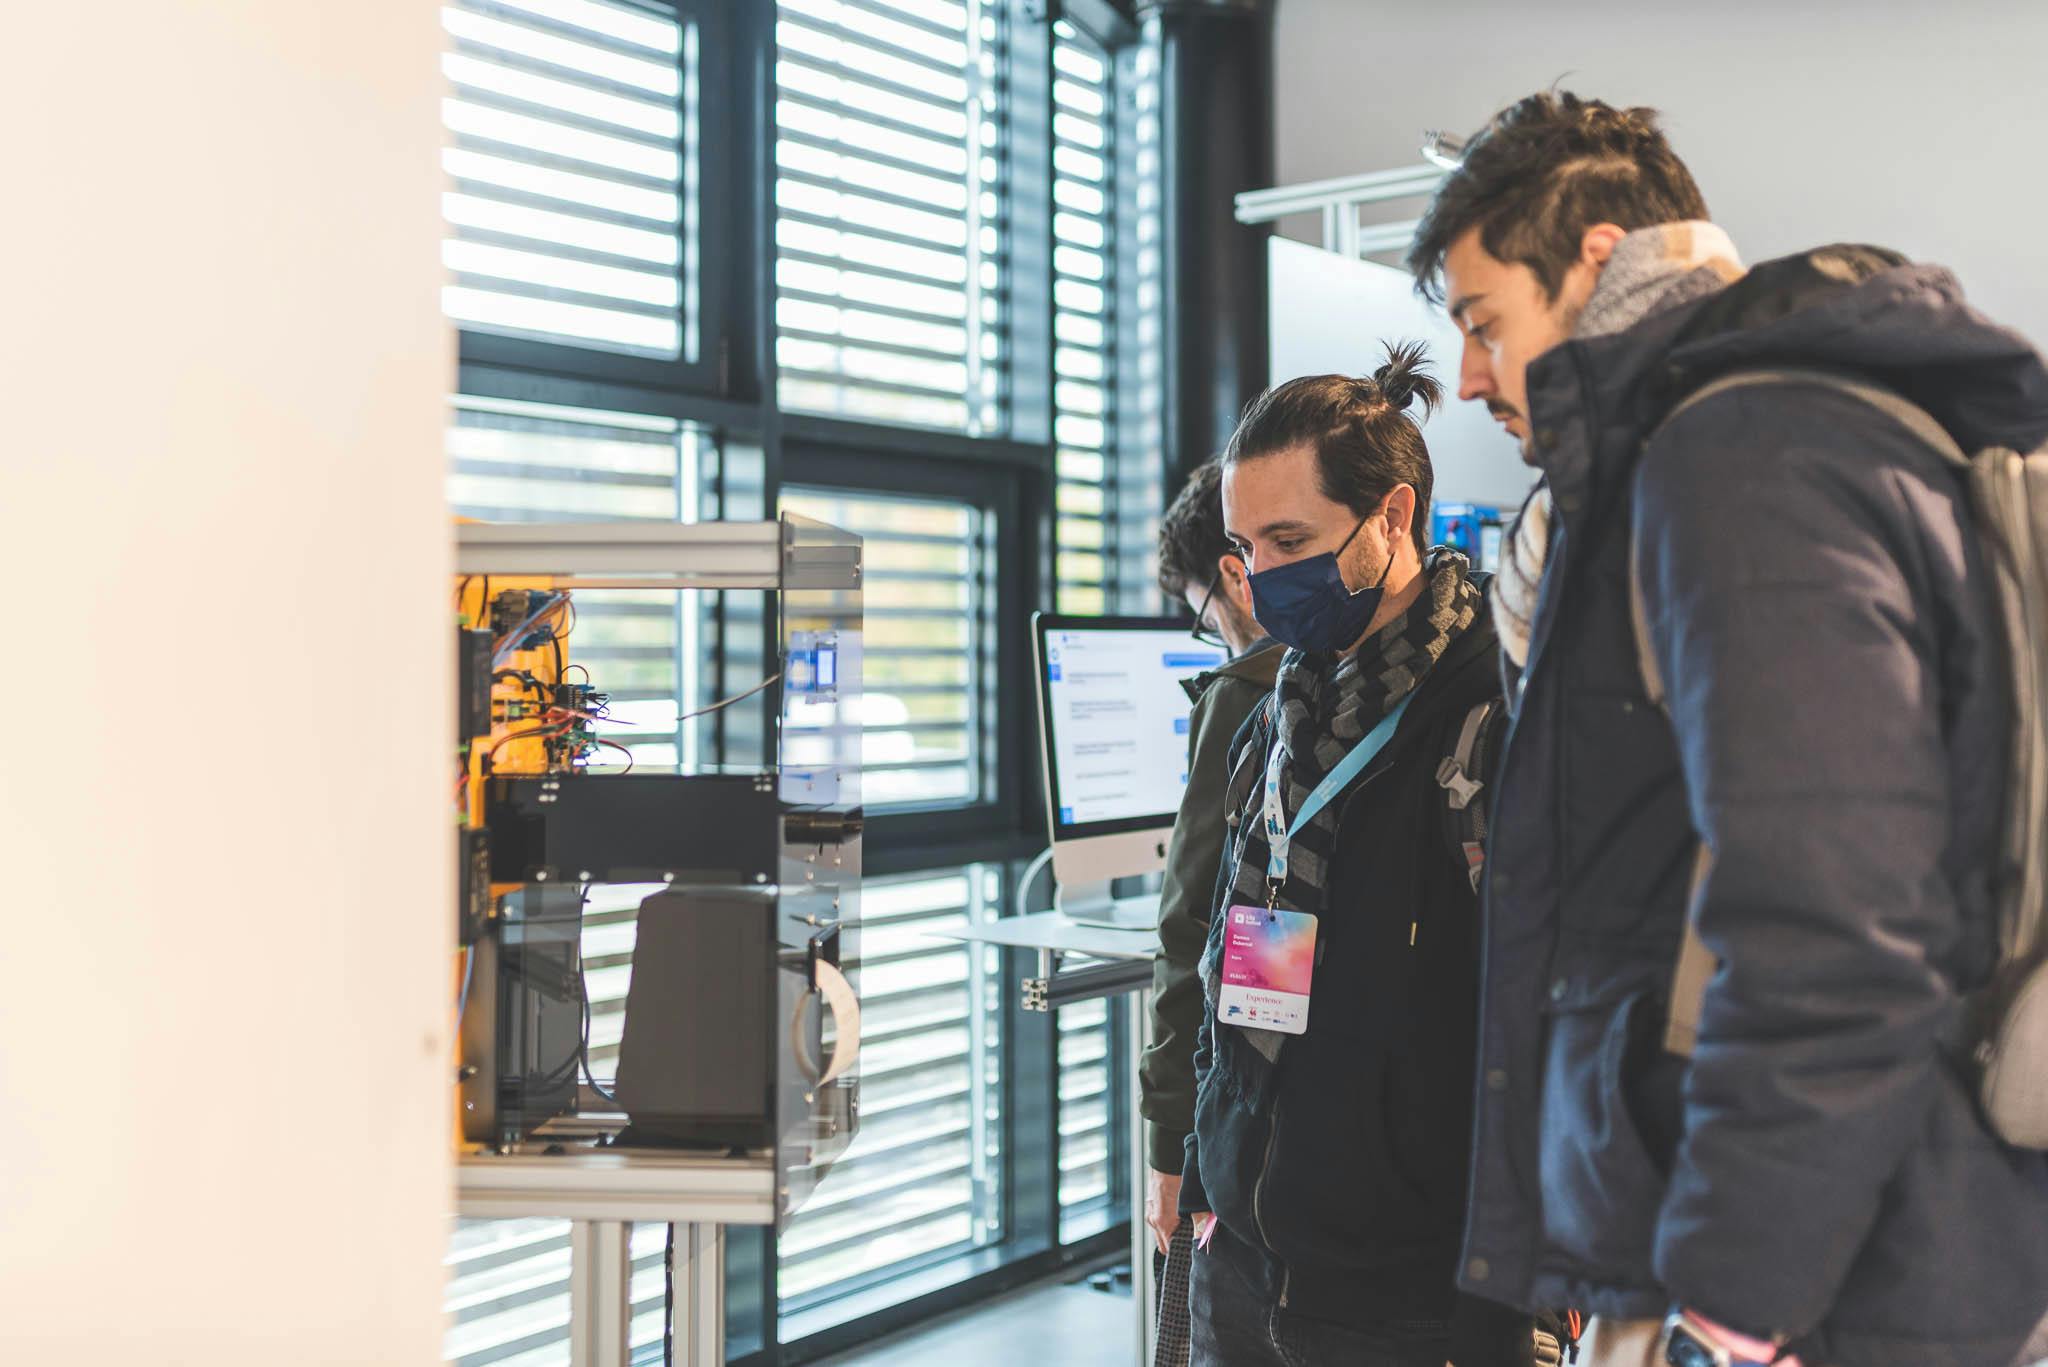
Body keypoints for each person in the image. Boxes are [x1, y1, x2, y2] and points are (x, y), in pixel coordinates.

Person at [1405, 91, 2048, 1367]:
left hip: (1807, 1279)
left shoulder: (1734, 453)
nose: (1467, 375)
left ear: (1593, 256)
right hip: (1873, 1227)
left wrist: (1729, 1307)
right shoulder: (1807, 429)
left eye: (1481, 322)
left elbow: (1831, 920)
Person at [1178, 345, 1530, 1367]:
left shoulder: (1494, 711)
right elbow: (1235, 956)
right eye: (1246, 545)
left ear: (1392, 516)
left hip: (1409, 1290)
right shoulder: (1275, 714)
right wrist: (1203, 1156)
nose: (1262, 575)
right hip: (1242, 1252)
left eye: (1290, 539)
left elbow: (1542, 1021)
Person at [1142, 458, 1286, 1364]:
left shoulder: (1245, 691)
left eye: (1202, 611)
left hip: (1246, 1126)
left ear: (1235, 575)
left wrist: (1170, 1147)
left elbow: (1192, 931)